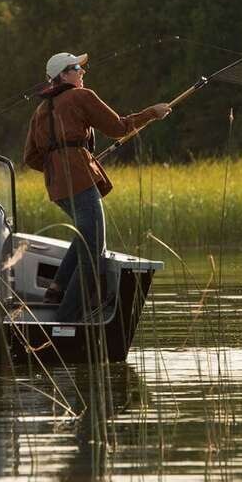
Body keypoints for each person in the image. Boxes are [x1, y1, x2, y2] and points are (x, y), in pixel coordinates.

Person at [23, 52, 170, 321]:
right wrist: (152, 113)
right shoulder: (81, 96)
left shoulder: (40, 110)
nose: (83, 72)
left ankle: (54, 291)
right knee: (95, 249)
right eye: (77, 68)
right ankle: (68, 318)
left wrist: (62, 162)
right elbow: (118, 127)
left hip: (57, 188)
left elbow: (31, 158)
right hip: (79, 182)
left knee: (84, 238)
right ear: (64, 75)